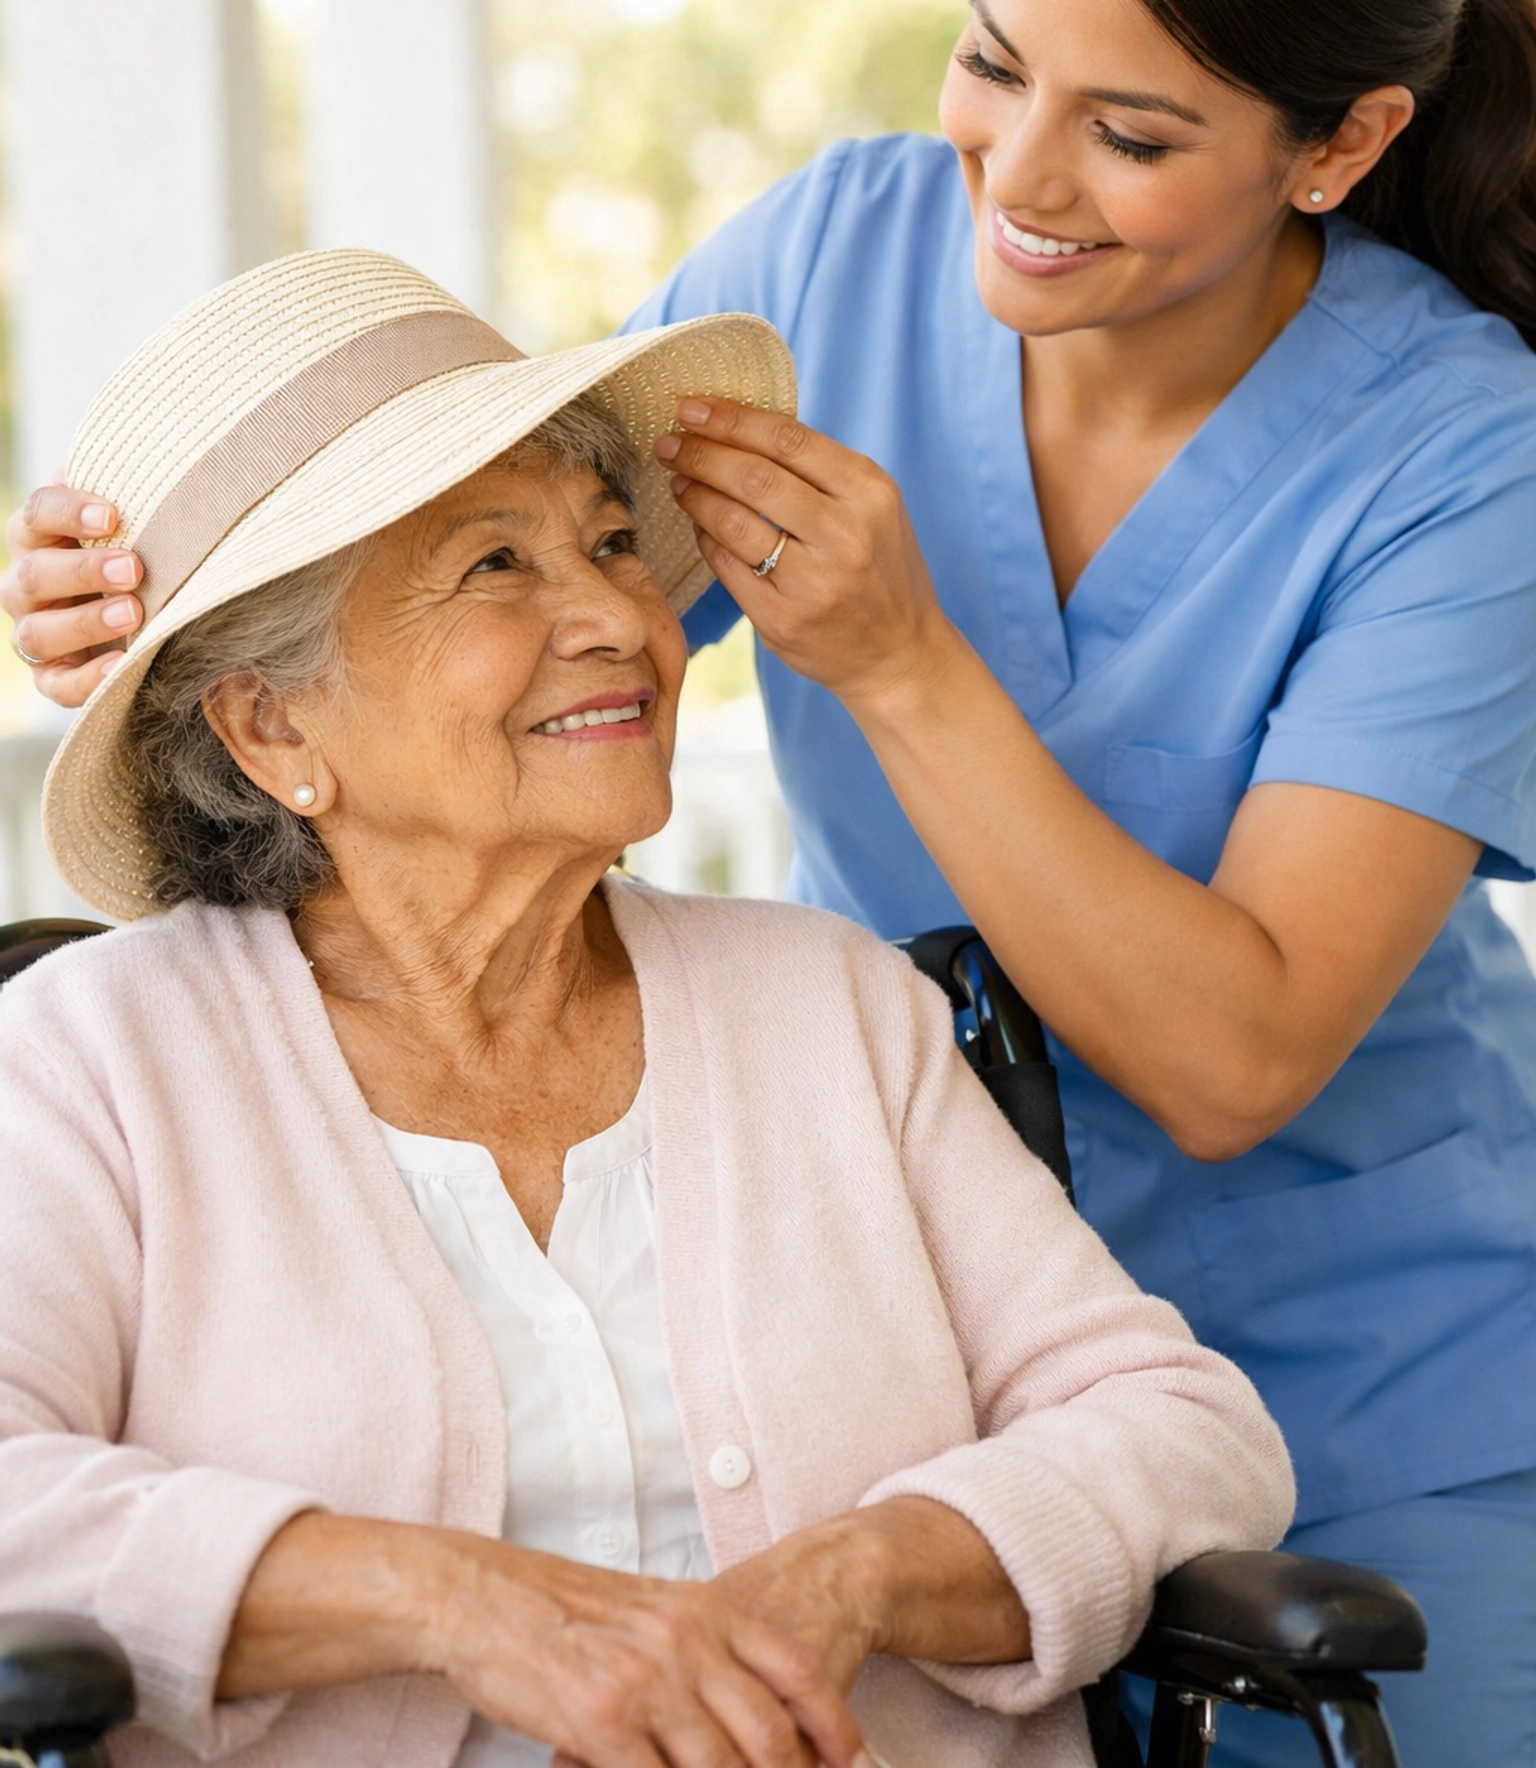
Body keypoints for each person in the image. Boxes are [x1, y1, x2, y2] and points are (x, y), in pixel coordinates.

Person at [9, 0, 1536, 1765]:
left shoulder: (1455, 453)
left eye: (1136, 133)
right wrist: (168, 601)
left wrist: (906, 662)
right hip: (922, 1353)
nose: (1015, 173)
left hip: (1361, 1370)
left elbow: (1234, 1059)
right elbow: (501, 577)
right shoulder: (834, 261)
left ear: (1339, 146)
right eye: (993, 64)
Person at [0, 248, 1292, 1768]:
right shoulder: (93, 1059)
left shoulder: (833, 1010)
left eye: (613, 544)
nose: (621, 617)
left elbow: (1185, 1429)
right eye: (496, 566)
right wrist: (457, 1605)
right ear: (275, 722)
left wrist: (855, 1578)